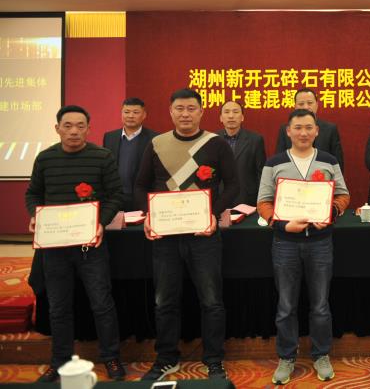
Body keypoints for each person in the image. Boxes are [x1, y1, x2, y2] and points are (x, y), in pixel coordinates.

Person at [135, 89, 239, 381]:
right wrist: (149, 214)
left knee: (212, 301)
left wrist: (212, 213)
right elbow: (140, 186)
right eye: (179, 108)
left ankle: (214, 360)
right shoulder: (157, 144)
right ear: (170, 112)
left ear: (201, 112)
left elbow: (233, 185)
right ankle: (166, 358)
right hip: (165, 237)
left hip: (203, 235)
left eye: (191, 108)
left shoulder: (216, 144)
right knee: (164, 301)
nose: (185, 114)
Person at [25, 105, 126, 382]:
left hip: (90, 247)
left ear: (88, 129)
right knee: (58, 307)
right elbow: (33, 194)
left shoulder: (102, 157)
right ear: (57, 128)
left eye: (80, 126)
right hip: (54, 248)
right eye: (67, 125)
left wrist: (100, 222)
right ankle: (60, 361)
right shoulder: (45, 158)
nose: (74, 131)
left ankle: (111, 357)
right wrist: (35, 215)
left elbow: (116, 195)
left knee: (101, 303)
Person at [256, 109, 350, 385]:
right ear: (288, 131)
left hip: (320, 242)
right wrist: (283, 225)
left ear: (317, 131)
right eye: (297, 127)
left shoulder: (328, 160)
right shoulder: (274, 163)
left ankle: (321, 354)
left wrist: (330, 214)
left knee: (320, 305)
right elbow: (263, 201)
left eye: (309, 127)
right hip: (285, 243)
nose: (303, 133)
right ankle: (286, 357)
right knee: (286, 306)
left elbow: (343, 195)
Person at [103, 97, 157, 212]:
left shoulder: (154, 138)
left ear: (144, 115)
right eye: (126, 112)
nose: (130, 116)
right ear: (121, 114)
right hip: (115, 198)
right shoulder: (109, 137)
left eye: (136, 112)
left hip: (142, 199)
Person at [275, 88, 344, 171]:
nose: (306, 107)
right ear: (295, 106)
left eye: (310, 103)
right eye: (301, 104)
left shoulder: (330, 129)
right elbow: (279, 161)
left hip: (322, 177)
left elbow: (338, 164)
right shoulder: (285, 129)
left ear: (317, 105)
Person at [217, 100, 266, 206]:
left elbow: (261, 173)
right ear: (221, 118)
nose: (231, 116)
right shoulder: (213, 140)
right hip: (220, 199)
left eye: (235, 112)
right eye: (227, 112)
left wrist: (261, 201)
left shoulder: (255, 140)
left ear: (242, 117)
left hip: (247, 199)